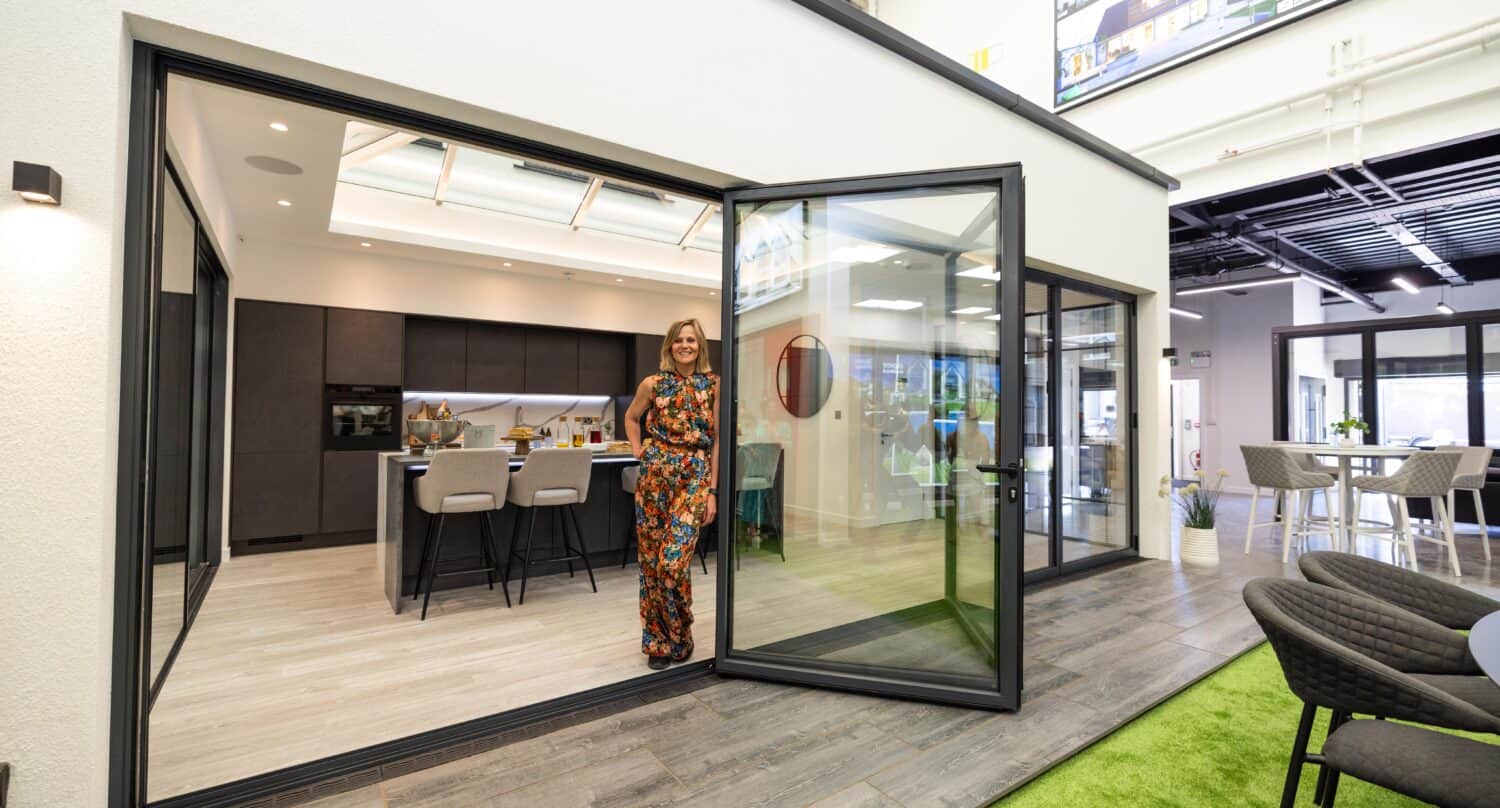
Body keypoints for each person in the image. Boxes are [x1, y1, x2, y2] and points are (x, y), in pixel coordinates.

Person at [624, 318, 719, 670]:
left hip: (694, 479)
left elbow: (719, 440)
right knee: (651, 564)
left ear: (700, 346)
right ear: (669, 346)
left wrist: (712, 491)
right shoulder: (653, 383)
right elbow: (632, 418)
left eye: (691, 340)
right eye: (679, 340)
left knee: (671, 562)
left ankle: (681, 630)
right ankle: (659, 642)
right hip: (653, 481)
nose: (685, 345)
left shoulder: (713, 386)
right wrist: (639, 452)